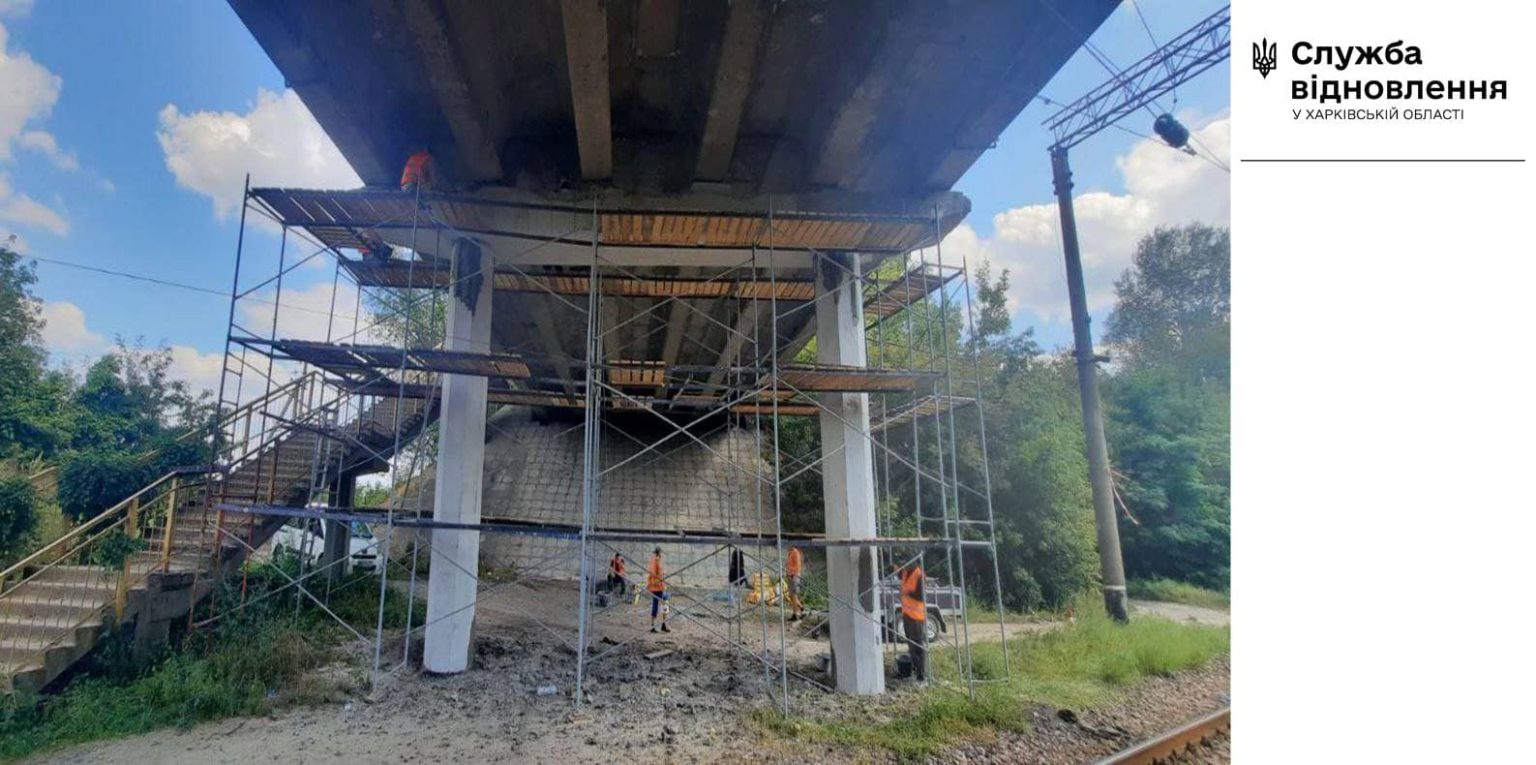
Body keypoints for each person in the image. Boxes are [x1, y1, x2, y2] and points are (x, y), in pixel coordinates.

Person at [898, 561, 927, 681]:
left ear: (914, 562)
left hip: (916, 616)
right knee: (911, 645)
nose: (904, 564)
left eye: (907, 562)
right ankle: (915, 669)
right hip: (907, 614)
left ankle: (921, 673)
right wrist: (892, 566)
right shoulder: (905, 572)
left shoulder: (919, 575)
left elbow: (921, 596)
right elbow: (898, 572)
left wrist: (907, 593)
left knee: (918, 645)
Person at [647, 546, 671, 633]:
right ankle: (660, 625)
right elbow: (653, 574)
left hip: (659, 586)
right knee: (662, 602)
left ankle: (656, 625)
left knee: (660, 602)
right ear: (659, 552)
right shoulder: (655, 561)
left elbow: (658, 573)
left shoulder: (657, 560)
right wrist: (659, 580)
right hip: (657, 587)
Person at [785, 546, 805, 621]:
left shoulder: (795, 552)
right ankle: (799, 609)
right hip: (790, 575)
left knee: (794, 595)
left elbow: (797, 565)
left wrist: (792, 574)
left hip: (794, 576)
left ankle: (797, 612)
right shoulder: (790, 553)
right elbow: (789, 564)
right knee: (791, 595)